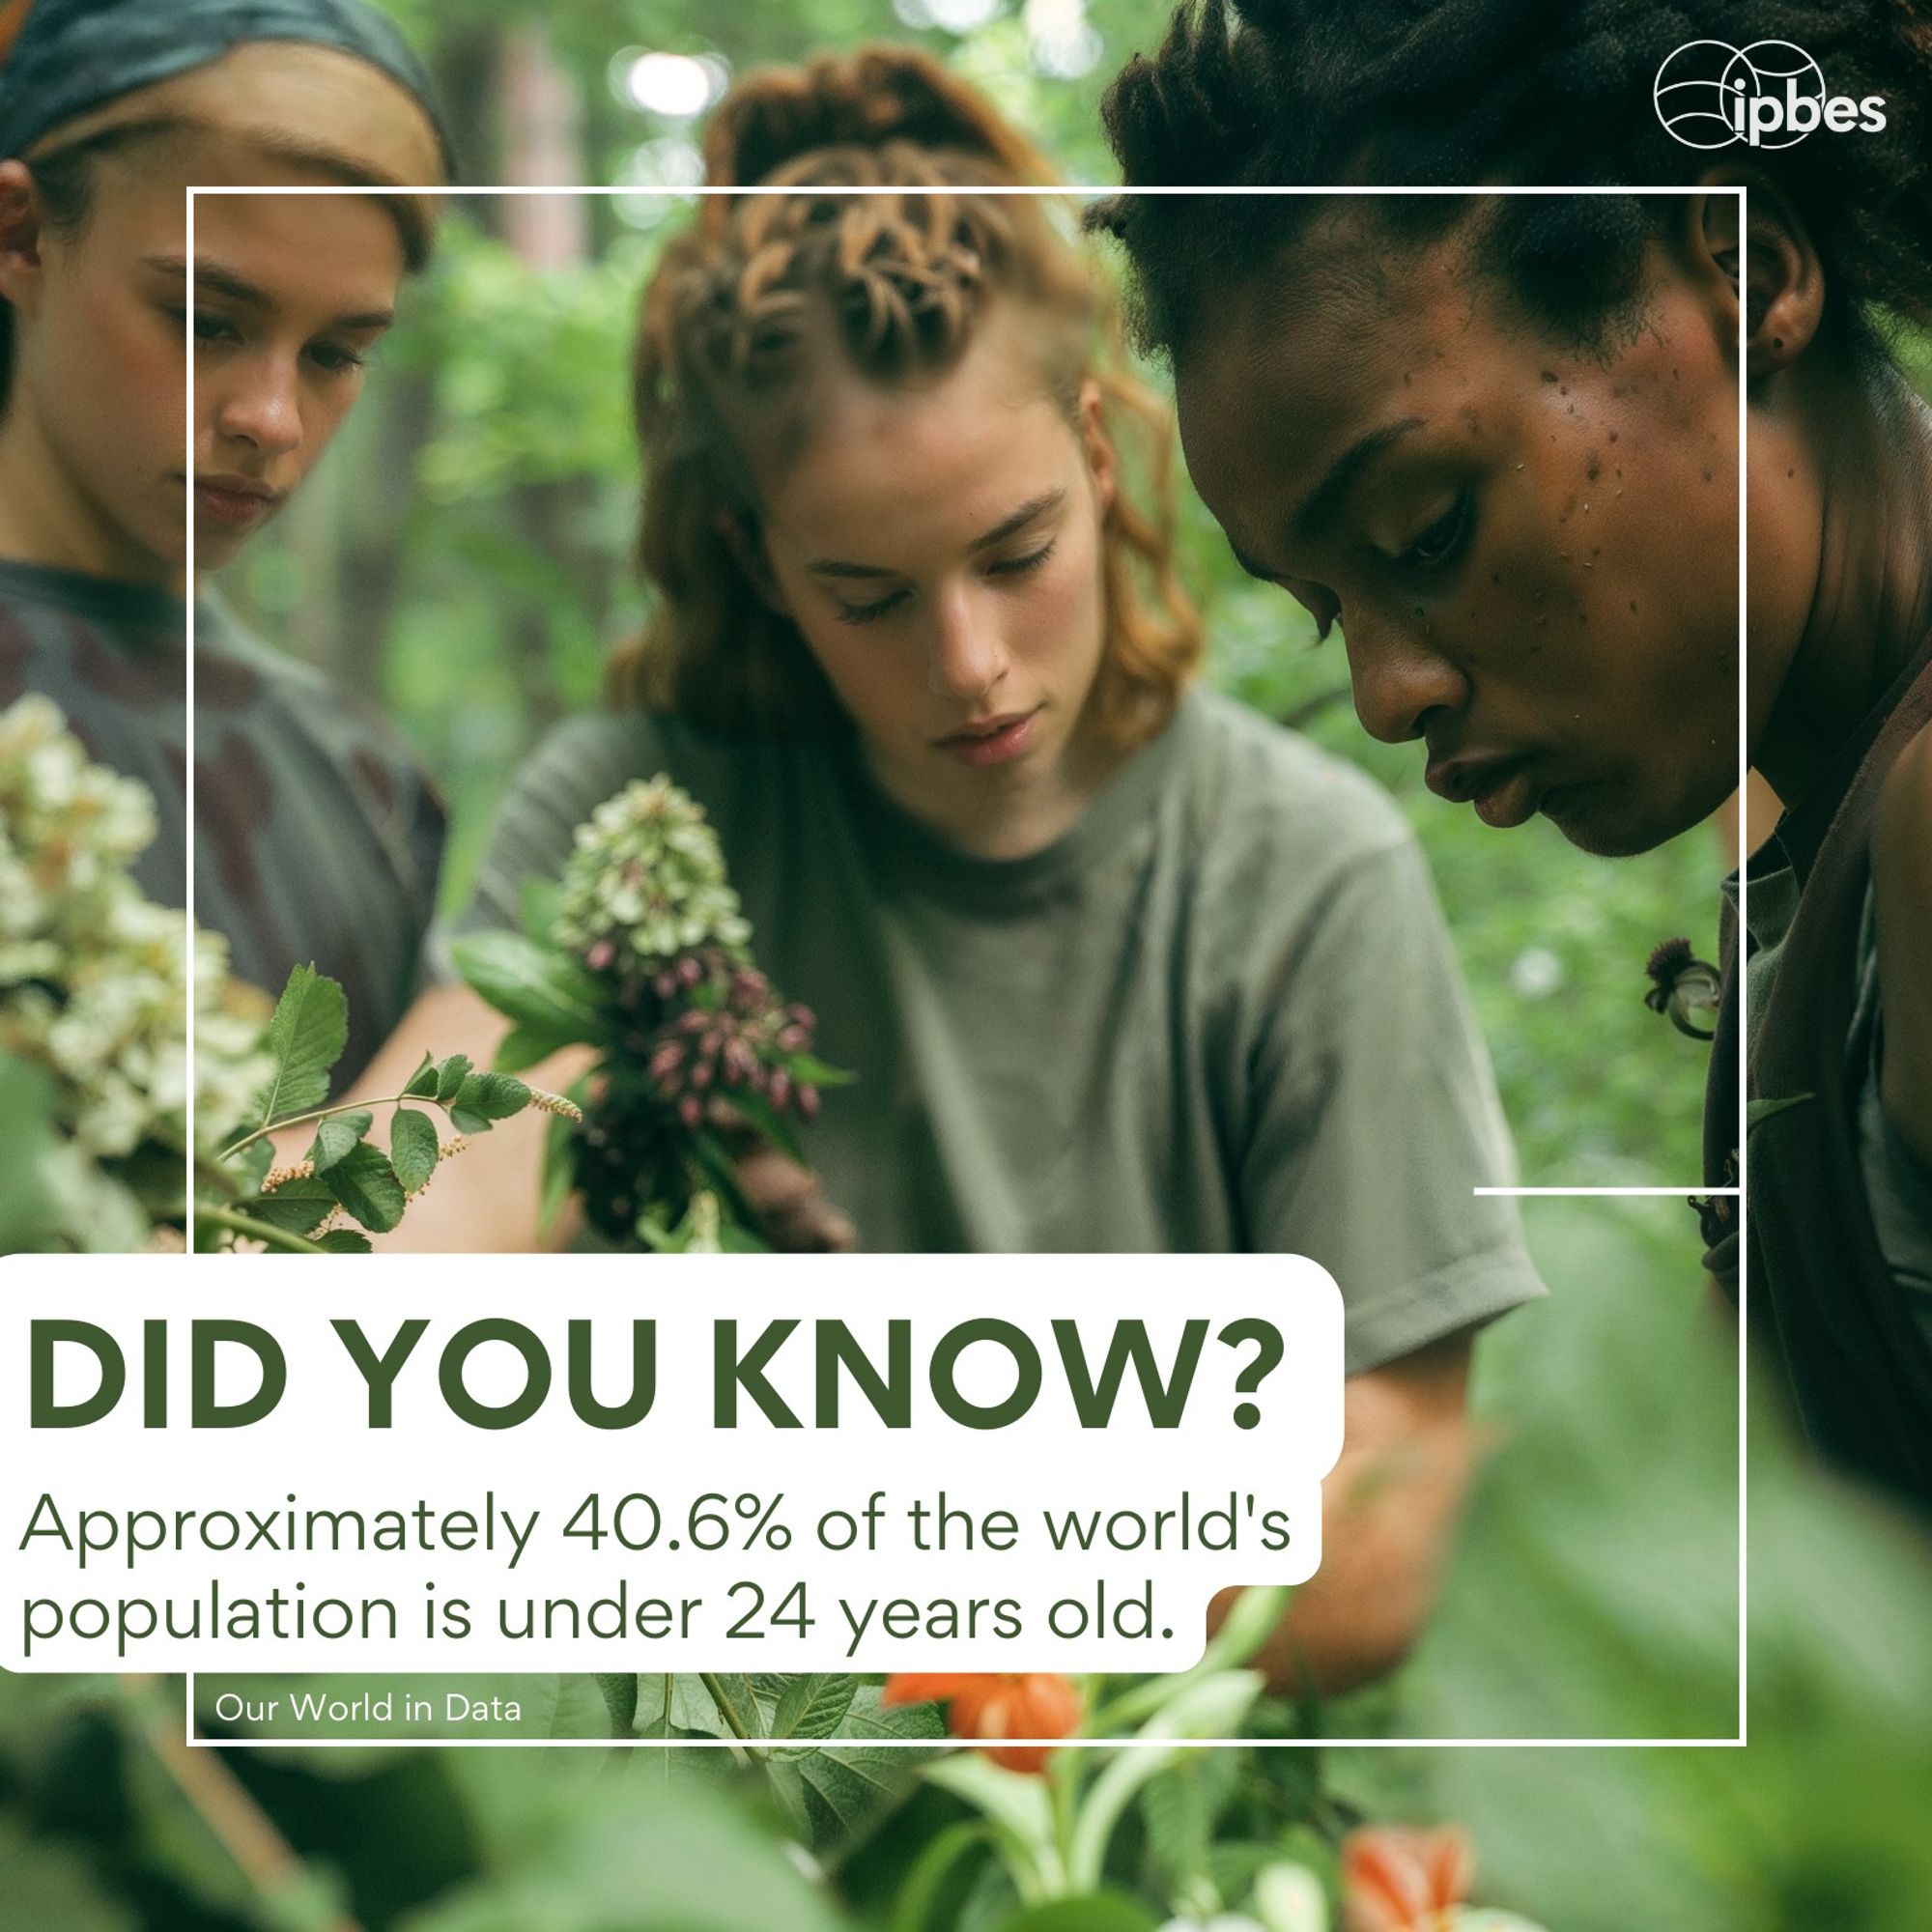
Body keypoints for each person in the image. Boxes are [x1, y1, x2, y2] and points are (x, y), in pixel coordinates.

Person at [365, 45, 1546, 1690]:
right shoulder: (637, 819)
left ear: (1092, 444)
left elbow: (1365, 1544)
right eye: (869, 595)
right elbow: (427, 1180)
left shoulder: (1302, 881)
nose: (972, 660)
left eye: (1016, 555)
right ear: (753, 561)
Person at [1092, 0, 1932, 1515]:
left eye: (1428, 529)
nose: (1386, 692)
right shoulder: (1810, 851)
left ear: (1748, 275)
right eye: (1320, 609)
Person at [0, 0, 452, 1083]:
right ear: (21, 239)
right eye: (206, 319)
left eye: (337, 353)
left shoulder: (367, 785)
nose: (274, 419)